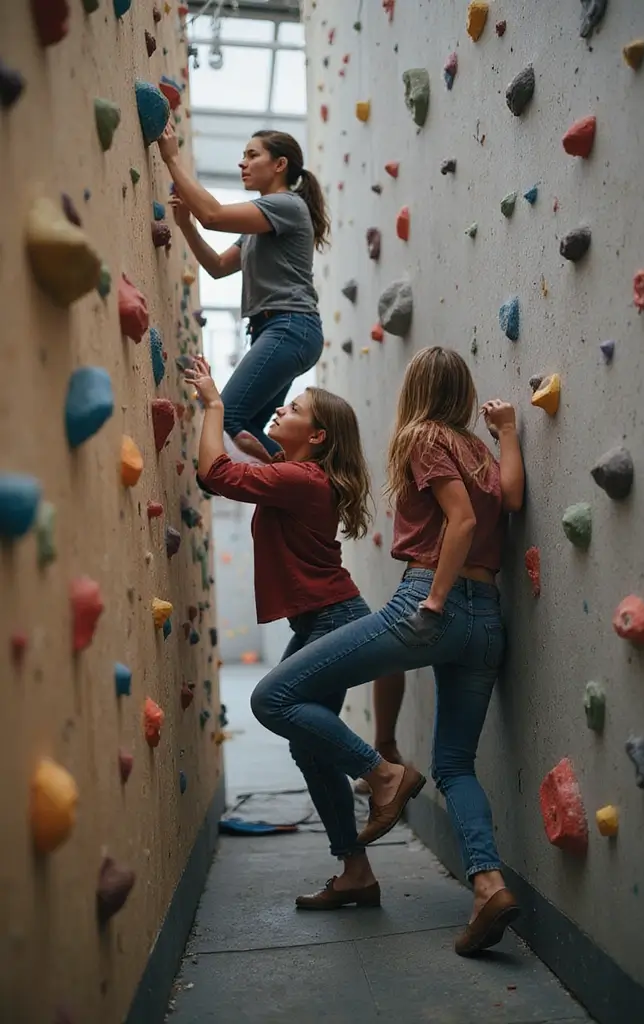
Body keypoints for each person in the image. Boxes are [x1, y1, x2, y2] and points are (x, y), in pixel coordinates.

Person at [251, 346, 526, 956]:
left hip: (436, 599)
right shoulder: (477, 448)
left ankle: (384, 774)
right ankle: (488, 886)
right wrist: (507, 432)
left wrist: (434, 600)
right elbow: (509, 499)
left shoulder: (421, 437)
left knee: (274, 696)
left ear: (416, 390)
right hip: (489, 621)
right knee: (454, 765)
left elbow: (459, 522)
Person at [185, 355, 400, 909]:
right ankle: (355, 871)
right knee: (310, 749)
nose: (281, 408)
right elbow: (253, 454)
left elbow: (216, 474)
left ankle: (382, 775)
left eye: (294, 407)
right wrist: (242, 425)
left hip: (335, 618)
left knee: (271, 700)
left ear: (318, 435)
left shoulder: (302, 479)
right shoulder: (301, 476)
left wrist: (215, 404)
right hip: (323, 619)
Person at [157, 124, 327, 462]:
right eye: (243, 156)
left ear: (280, 165)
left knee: (230, 413)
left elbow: (214, 215)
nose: (242, 163)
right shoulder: (260, 224)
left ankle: (307, 483)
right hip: (282, 330)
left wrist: (172, 159)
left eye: (252, 155)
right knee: (246, 422)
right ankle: (301, 476)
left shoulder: (287, 205)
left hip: (291, 327)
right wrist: (186, 226)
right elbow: (219, 266)